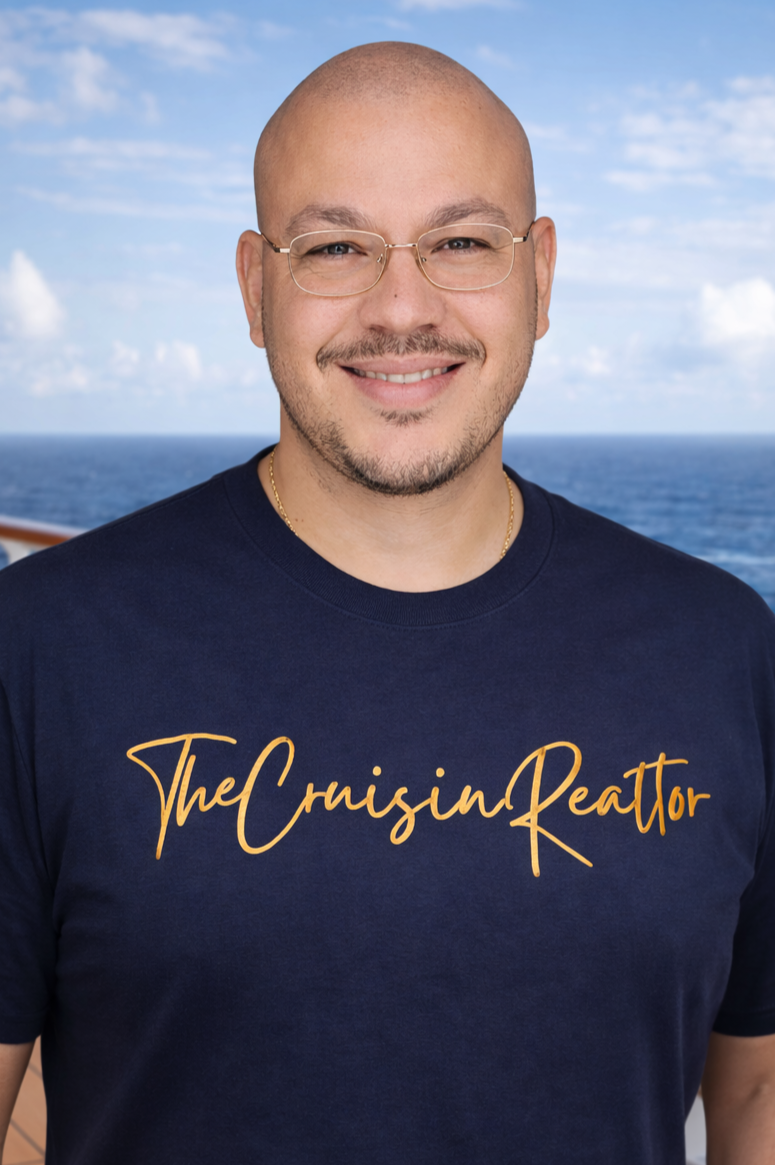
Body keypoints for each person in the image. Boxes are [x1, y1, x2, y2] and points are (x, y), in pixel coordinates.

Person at [1, 41, 774, 1165]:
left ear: (540, 277)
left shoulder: (719, 651)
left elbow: (752, 1094)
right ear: (255, 288)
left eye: (461, 241)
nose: (400, 306)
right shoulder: (44, 646)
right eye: (334, 247)